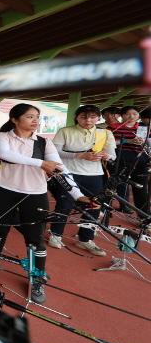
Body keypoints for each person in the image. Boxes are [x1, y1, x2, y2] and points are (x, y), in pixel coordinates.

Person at [0, 104, 90, 304]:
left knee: (35, 236)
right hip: (5, 190)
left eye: (37, 116)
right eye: (29, 116)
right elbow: (6, 155)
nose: (35, 120)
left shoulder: (44, 142)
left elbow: (60, 168)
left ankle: (37, 277)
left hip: (35, 193)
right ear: (14, 119)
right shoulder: (3, 137)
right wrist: (40, 163)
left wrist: (77, 194)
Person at [48, 105, 115, 256]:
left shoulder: (105, 133)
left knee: (94, 206)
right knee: (64, 204)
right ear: (77, 117)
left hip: (95, 174)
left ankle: (85, 239)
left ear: (99, 118)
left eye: (92, 117)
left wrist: (106, 156)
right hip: (68, 173)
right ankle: (56, 234)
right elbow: (55, 152)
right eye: (84, 117)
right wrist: (80, 155)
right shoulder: (65, 131)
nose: (88, 120)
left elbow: (112, 155)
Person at [108, 106, 150, 217]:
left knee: (141, 189)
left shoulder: (144, 128)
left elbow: (149, 143)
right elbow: (108, 144)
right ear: (122, 115)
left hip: (140, 161)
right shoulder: (112, 127)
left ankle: (144, 218)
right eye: (127, 114)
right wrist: (128, 140)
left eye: (135, 114)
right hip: (119, 161)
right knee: (110, 186)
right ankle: (104, 211)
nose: (131, 116)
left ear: (138, 116)